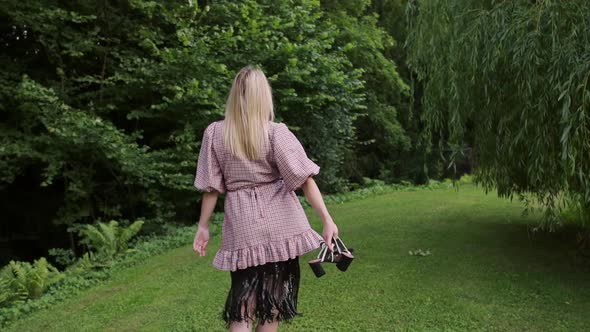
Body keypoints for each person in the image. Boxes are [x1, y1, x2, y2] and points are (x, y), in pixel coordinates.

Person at [192, 65, 340, 332]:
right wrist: (326, 220)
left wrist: (203, 227)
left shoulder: (215, 133)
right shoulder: (275, 133)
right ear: (264, 96)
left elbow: (211, 188)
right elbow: (305, 179)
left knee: (242, 306)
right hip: (281, 224)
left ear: (235, 95)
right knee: (271, 306)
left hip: (242, 226)